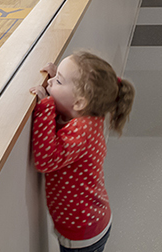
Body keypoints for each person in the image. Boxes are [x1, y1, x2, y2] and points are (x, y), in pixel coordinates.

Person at [29, 51, 135, 252]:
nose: (50, 84)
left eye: (58, 81)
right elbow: (67, 105)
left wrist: (45, 106)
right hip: (88, 225)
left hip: (83, 234)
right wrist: (56, 79)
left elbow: (45, 160)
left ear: (79, 102)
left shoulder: (82, 130)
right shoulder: (87, 112)